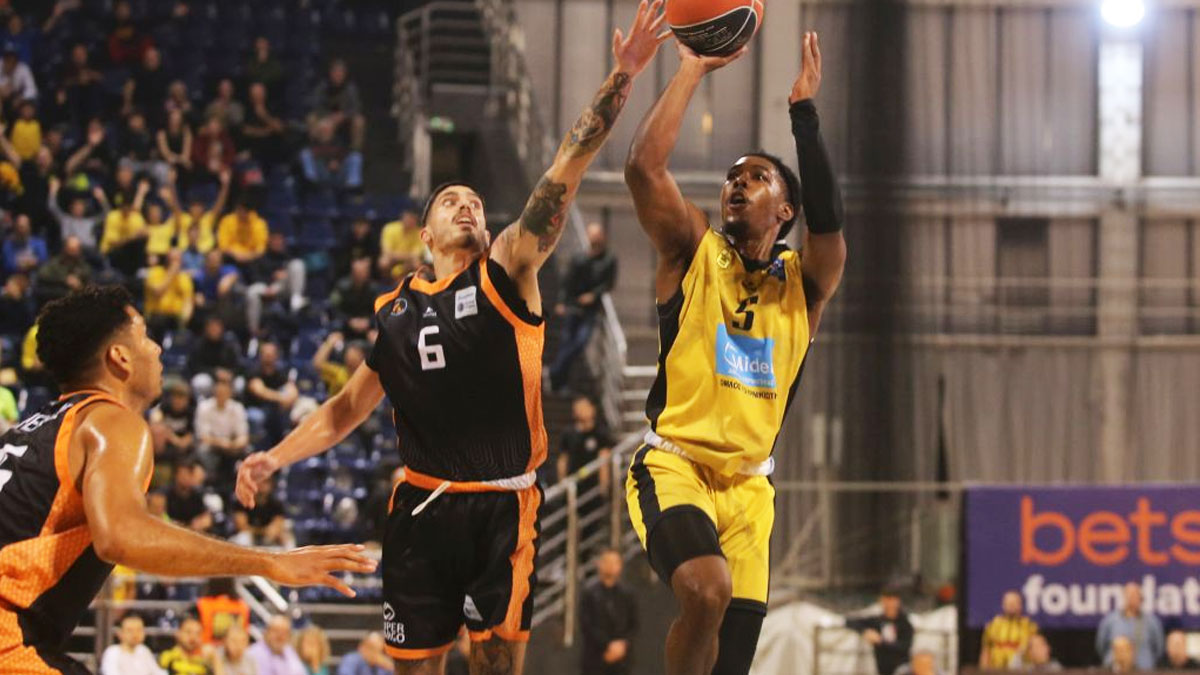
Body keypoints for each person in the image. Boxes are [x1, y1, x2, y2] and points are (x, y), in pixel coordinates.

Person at [236, 6, 664, 672]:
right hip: (420, 507)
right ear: (424, 235)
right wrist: (273, 458)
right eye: (450, 201)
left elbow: (566, 167)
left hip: (502, 504)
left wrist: (624, 74)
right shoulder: (394, 311)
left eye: (475, 201)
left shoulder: (508, 269)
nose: (467, 204)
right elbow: (344, 410)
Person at [0, 286, 375, 673]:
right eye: (145, 336)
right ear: (120, 357)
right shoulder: (109, 421)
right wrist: (270, 562)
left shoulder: (28, 431)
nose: (157, 349)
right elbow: (122, 536)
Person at [622, 30, 846, 675]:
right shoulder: (692, 249)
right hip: (676, 465)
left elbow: (831, 225)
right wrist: (691, 70)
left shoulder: (806, 282)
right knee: (705, 590)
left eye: (756, 177)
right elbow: (642, 170)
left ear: (786, 209)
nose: (736, 184)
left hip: (750, 489)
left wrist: (804, 116)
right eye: (731, 177)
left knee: (732, 661)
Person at [547, 222, 617, 394]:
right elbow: (567, 282)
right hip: (573, 306)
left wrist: (593, 295)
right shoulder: (579, 258)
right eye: (591, 234)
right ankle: (559, 382)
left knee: (579, 342)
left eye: (596, 234)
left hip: (590, 310)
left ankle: (554, 372)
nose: (594, 238)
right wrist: (562, 302)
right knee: (567, 342)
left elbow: (608, 283)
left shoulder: (609, 260)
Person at [579, 549, 637, 675]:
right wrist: (607, 645)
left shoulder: (627, 594)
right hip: (595, 658)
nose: (610, 566)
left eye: (614, 562)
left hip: (622, 661)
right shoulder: (589, 593)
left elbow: (633, 624)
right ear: (599, 564)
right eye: (607, 561)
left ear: (620, 566)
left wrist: (622, 645)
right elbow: (586, 624)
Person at [195, 376, 250, 488]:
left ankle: (240, 485)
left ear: (230, 393)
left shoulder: (237, 408)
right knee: (202, 451)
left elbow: (243, 437)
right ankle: (210, 484)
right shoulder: (204, 407)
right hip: (212, 446)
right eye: (219, 392)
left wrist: (233, 445)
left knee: (248, 452)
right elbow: (203, 436)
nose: (221, 395)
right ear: (214, 392)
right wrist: (221, 443)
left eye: (224, 392)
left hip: (232, 446)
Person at [1097, 582, 1165, 670]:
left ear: (1141, 598)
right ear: (1123, 596)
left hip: (1144, 669)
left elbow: (1159, 649)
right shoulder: (1110, 620)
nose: (1131, 598)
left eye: (1135, 595)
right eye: (1128, 594)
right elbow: (1101, 646)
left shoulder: (1152, 622)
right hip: (1115, 670)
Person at [845, 588, 914, 675]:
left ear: (897, 601)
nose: (889, 604)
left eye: (892, 600)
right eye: (886, 600)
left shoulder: (905, 623)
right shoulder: (878, 621)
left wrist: (880, 641)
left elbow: (904, 647)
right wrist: (865, 631)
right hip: (882, 667)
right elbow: (850, 621)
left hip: (901, 668)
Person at [980, 590, 1038, 670]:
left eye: (1014, 603)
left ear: (1020, 605)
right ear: (1003, 605)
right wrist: (983, 670)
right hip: (996, 670)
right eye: (1008, 603)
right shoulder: (993, 625)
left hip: (1021, 671)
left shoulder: (1030, 626)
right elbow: (986, 651)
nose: (1011, 605)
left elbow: (1036, 652)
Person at [231, 474, 293, 548]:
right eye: (258, 481)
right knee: (243, 538)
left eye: (265, 482)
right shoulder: (242, 502)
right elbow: (242, 527)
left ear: (271, 485)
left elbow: (277, 525)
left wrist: (272, 532)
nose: (261, 485)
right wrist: (262, 531)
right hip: (249, 537)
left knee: (286, 539)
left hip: (268, 538)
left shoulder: (276, 504)